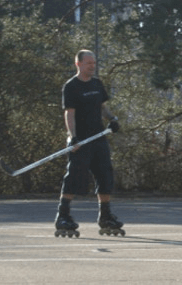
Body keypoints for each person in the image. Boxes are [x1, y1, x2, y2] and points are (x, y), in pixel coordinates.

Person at [54, 49, 125, 238]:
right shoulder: (71, 86)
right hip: (81, 140)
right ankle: (63, 216)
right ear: (78, 64)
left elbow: (101, 106)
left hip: (98, 138)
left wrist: (112, 119)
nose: (92, 66)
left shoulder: (97, 84)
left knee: (105, 175)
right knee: (75, 176)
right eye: (88, 63)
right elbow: (69, 113)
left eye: (94, 63)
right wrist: (73, 137)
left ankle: (106, 216)